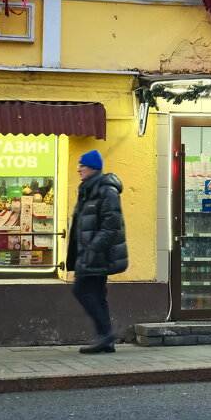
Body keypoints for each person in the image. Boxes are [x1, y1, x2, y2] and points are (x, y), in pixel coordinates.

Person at [67, 150, 128, 353]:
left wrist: (91, 250)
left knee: (81, 290)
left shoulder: (106, 191)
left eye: (82, 165)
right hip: (91, 252)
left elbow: (111, 227)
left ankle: (106, 335)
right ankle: (106, 340)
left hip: (97, 254)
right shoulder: (88, 189)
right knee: (97, 294)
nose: (79, 169)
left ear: (93, 167)